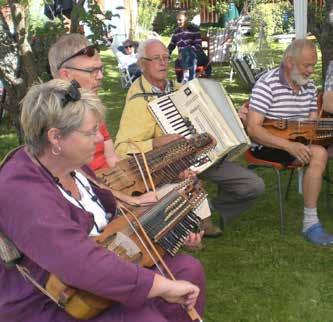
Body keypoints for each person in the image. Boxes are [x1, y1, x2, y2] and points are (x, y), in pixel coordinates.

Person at [0, 79, 205, 322]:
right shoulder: (21, 190)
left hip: (102, 269)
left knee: (189, 271)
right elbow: (78, 261)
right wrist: (162, 287)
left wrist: (171, 220)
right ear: (55, 137)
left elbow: (109, 216)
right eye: (90, 132)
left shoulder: (74, 166)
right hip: (53, 299)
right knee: (143, 316)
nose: (99, 139)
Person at [114, 38, 265, 237]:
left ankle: (207, 209)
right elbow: (122, 148)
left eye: (165, 58)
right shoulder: (138, 100)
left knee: (253, 186)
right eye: (156, 59)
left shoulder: (178, 89)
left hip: (205, 157)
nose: (162, 63)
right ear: (142, 63)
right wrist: (156, 142)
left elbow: (207, 118)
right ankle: (197, 219)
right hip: (168, 167)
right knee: (190, 182)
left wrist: (233, 117)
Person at [247, 38, 333, 246]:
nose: (310, 71)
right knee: (319, 154)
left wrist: (320, 130)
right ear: (288, 61)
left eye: (313, 65)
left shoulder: (309, 86)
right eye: (306, 65)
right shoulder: (267, 84)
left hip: (299, 141)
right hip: (267, 144)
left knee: (321, 150)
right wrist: (288, 145)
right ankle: (310, 223)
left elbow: (311, 122)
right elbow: (253, 128)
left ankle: (310, 221)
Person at [168, 11, 202, 83]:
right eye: (177, 20)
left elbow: (198, 45)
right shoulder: (176, 32)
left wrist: (185, 52)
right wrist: (166, 53)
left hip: (194, 56)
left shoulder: (194, 30)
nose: (178, 22)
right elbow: (171, 45)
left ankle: (190, 81)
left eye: (180, 20)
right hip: (181, 59)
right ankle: (184, 81)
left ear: (186, 19)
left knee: (188, 54)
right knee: (179, 62)